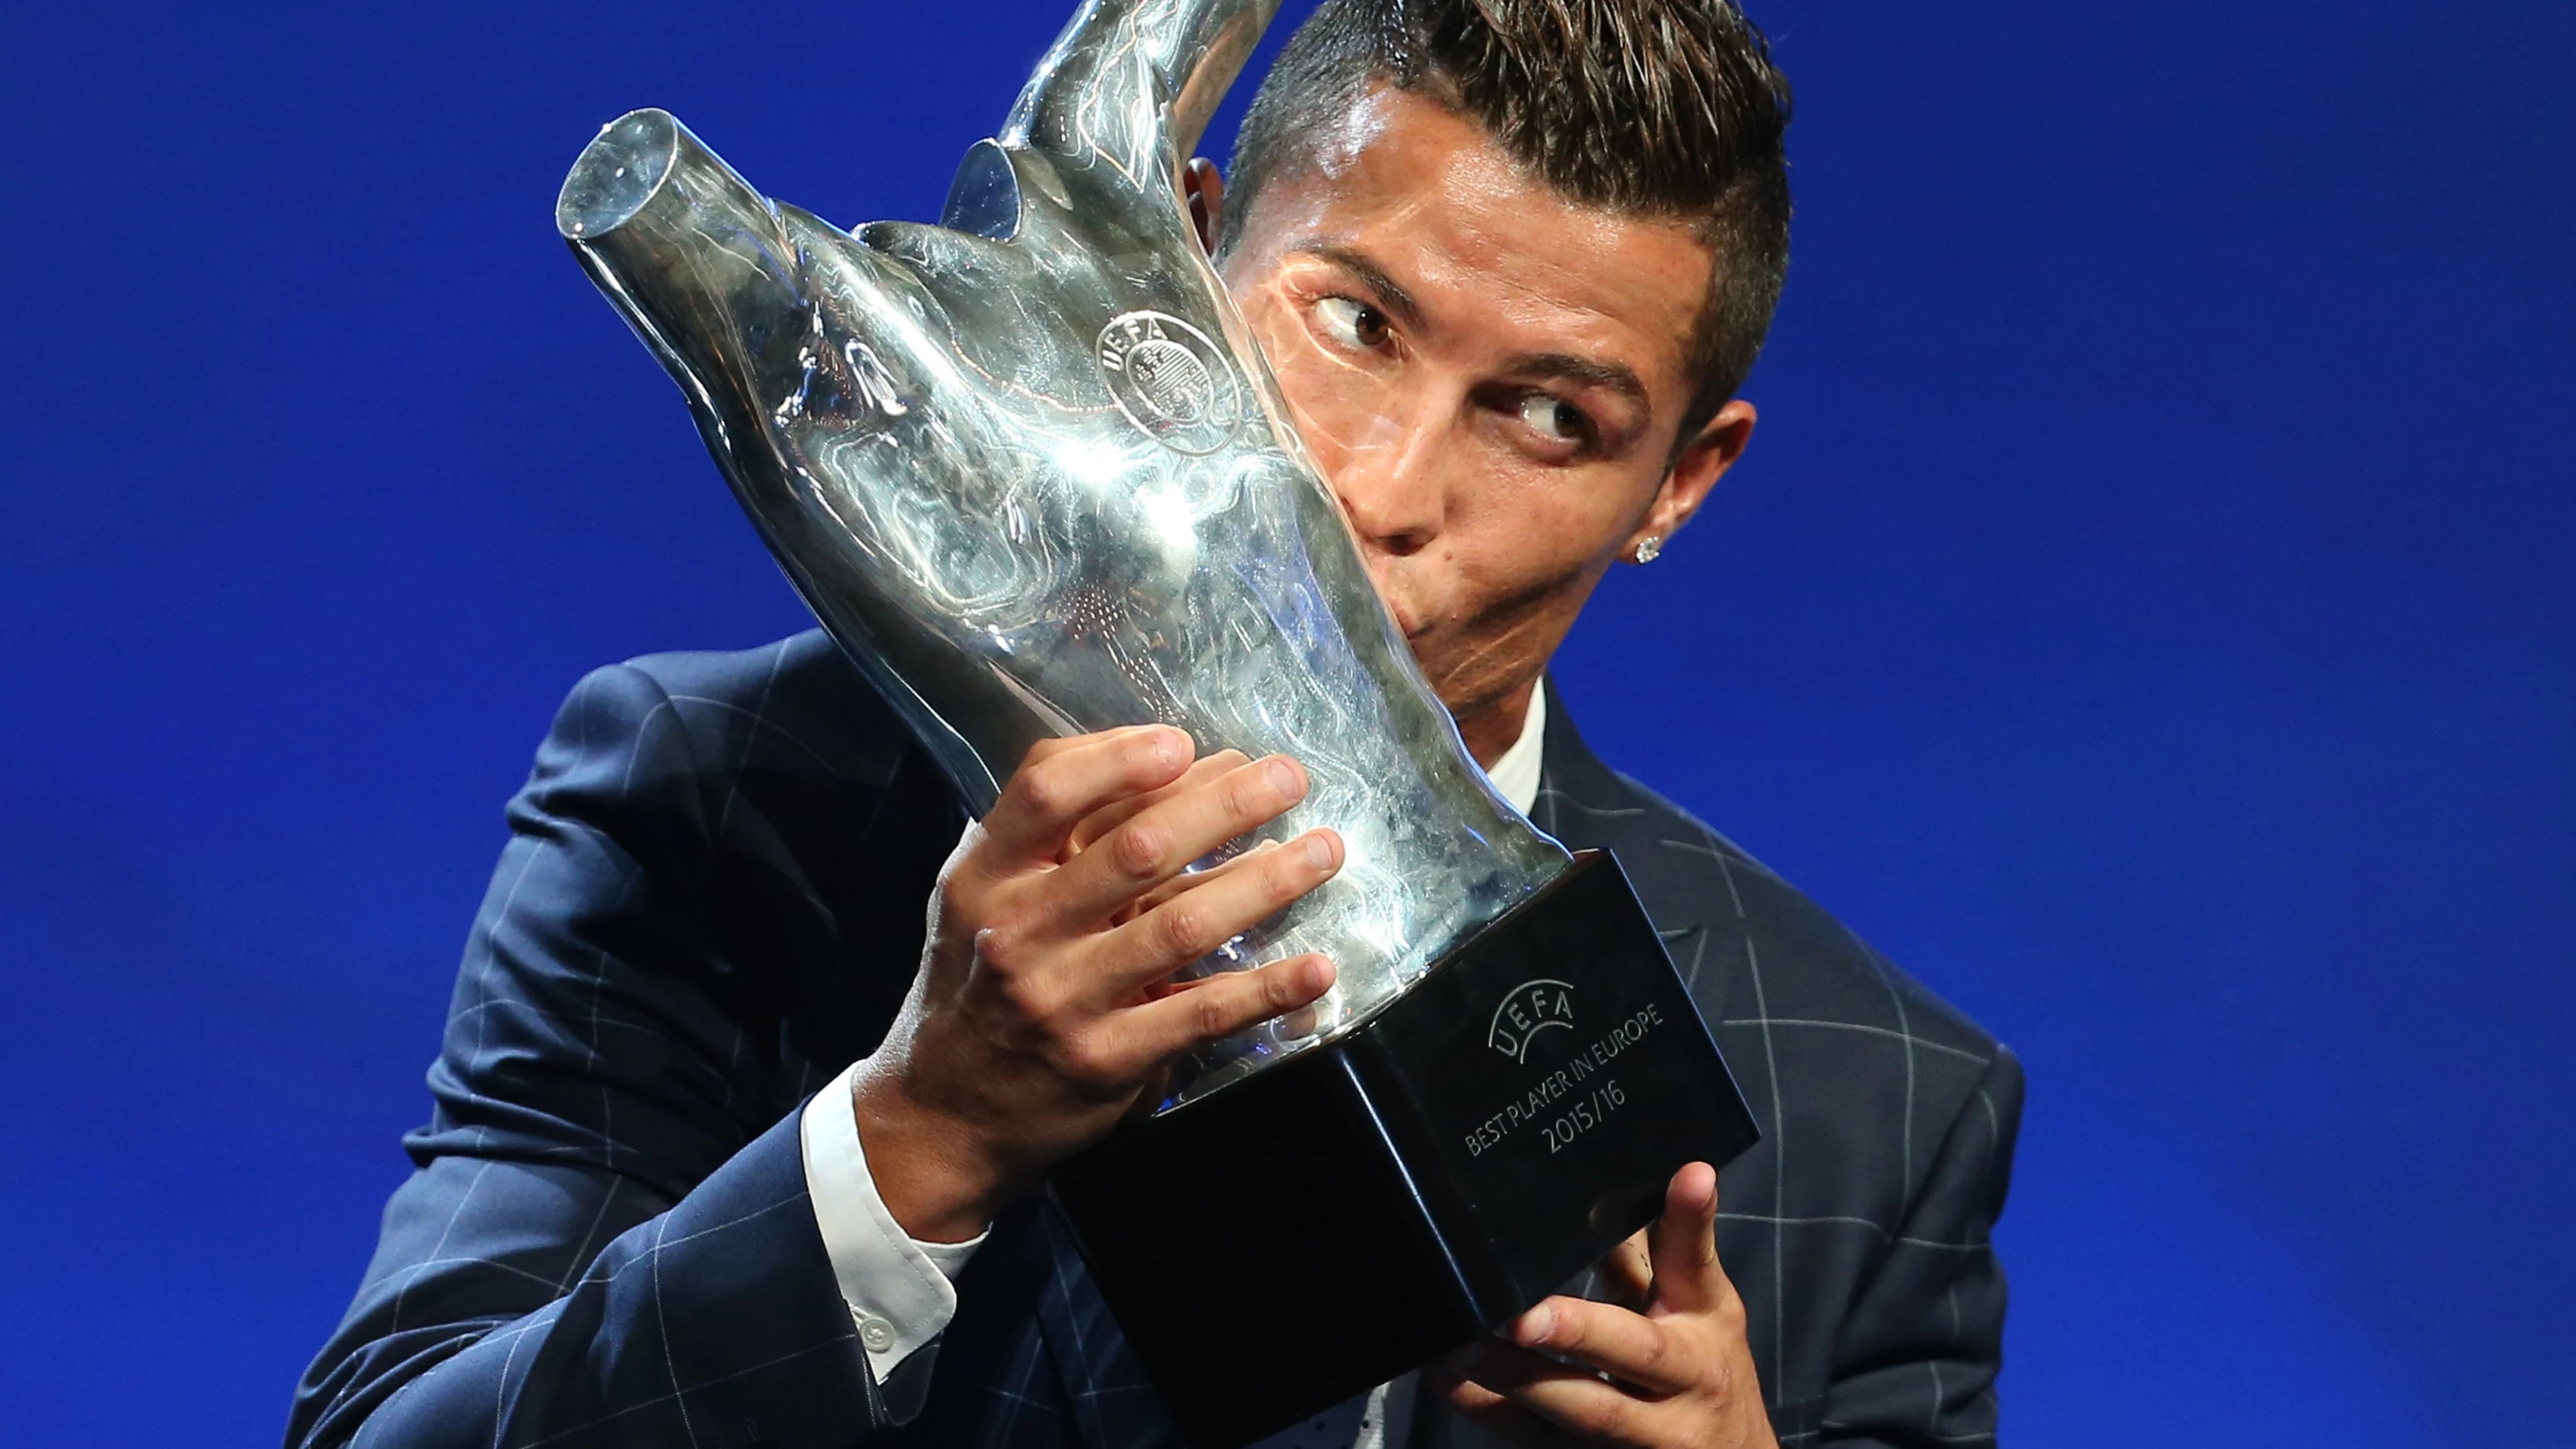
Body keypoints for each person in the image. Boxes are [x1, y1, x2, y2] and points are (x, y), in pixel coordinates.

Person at [290, 1, 2023, 1446]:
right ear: (1183, 247)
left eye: (1551, 416)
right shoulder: (717, 804)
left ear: (1679, 483)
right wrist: (917, 1136)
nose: (1378, 486)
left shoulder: (1879, 1095)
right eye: (1352, 325)